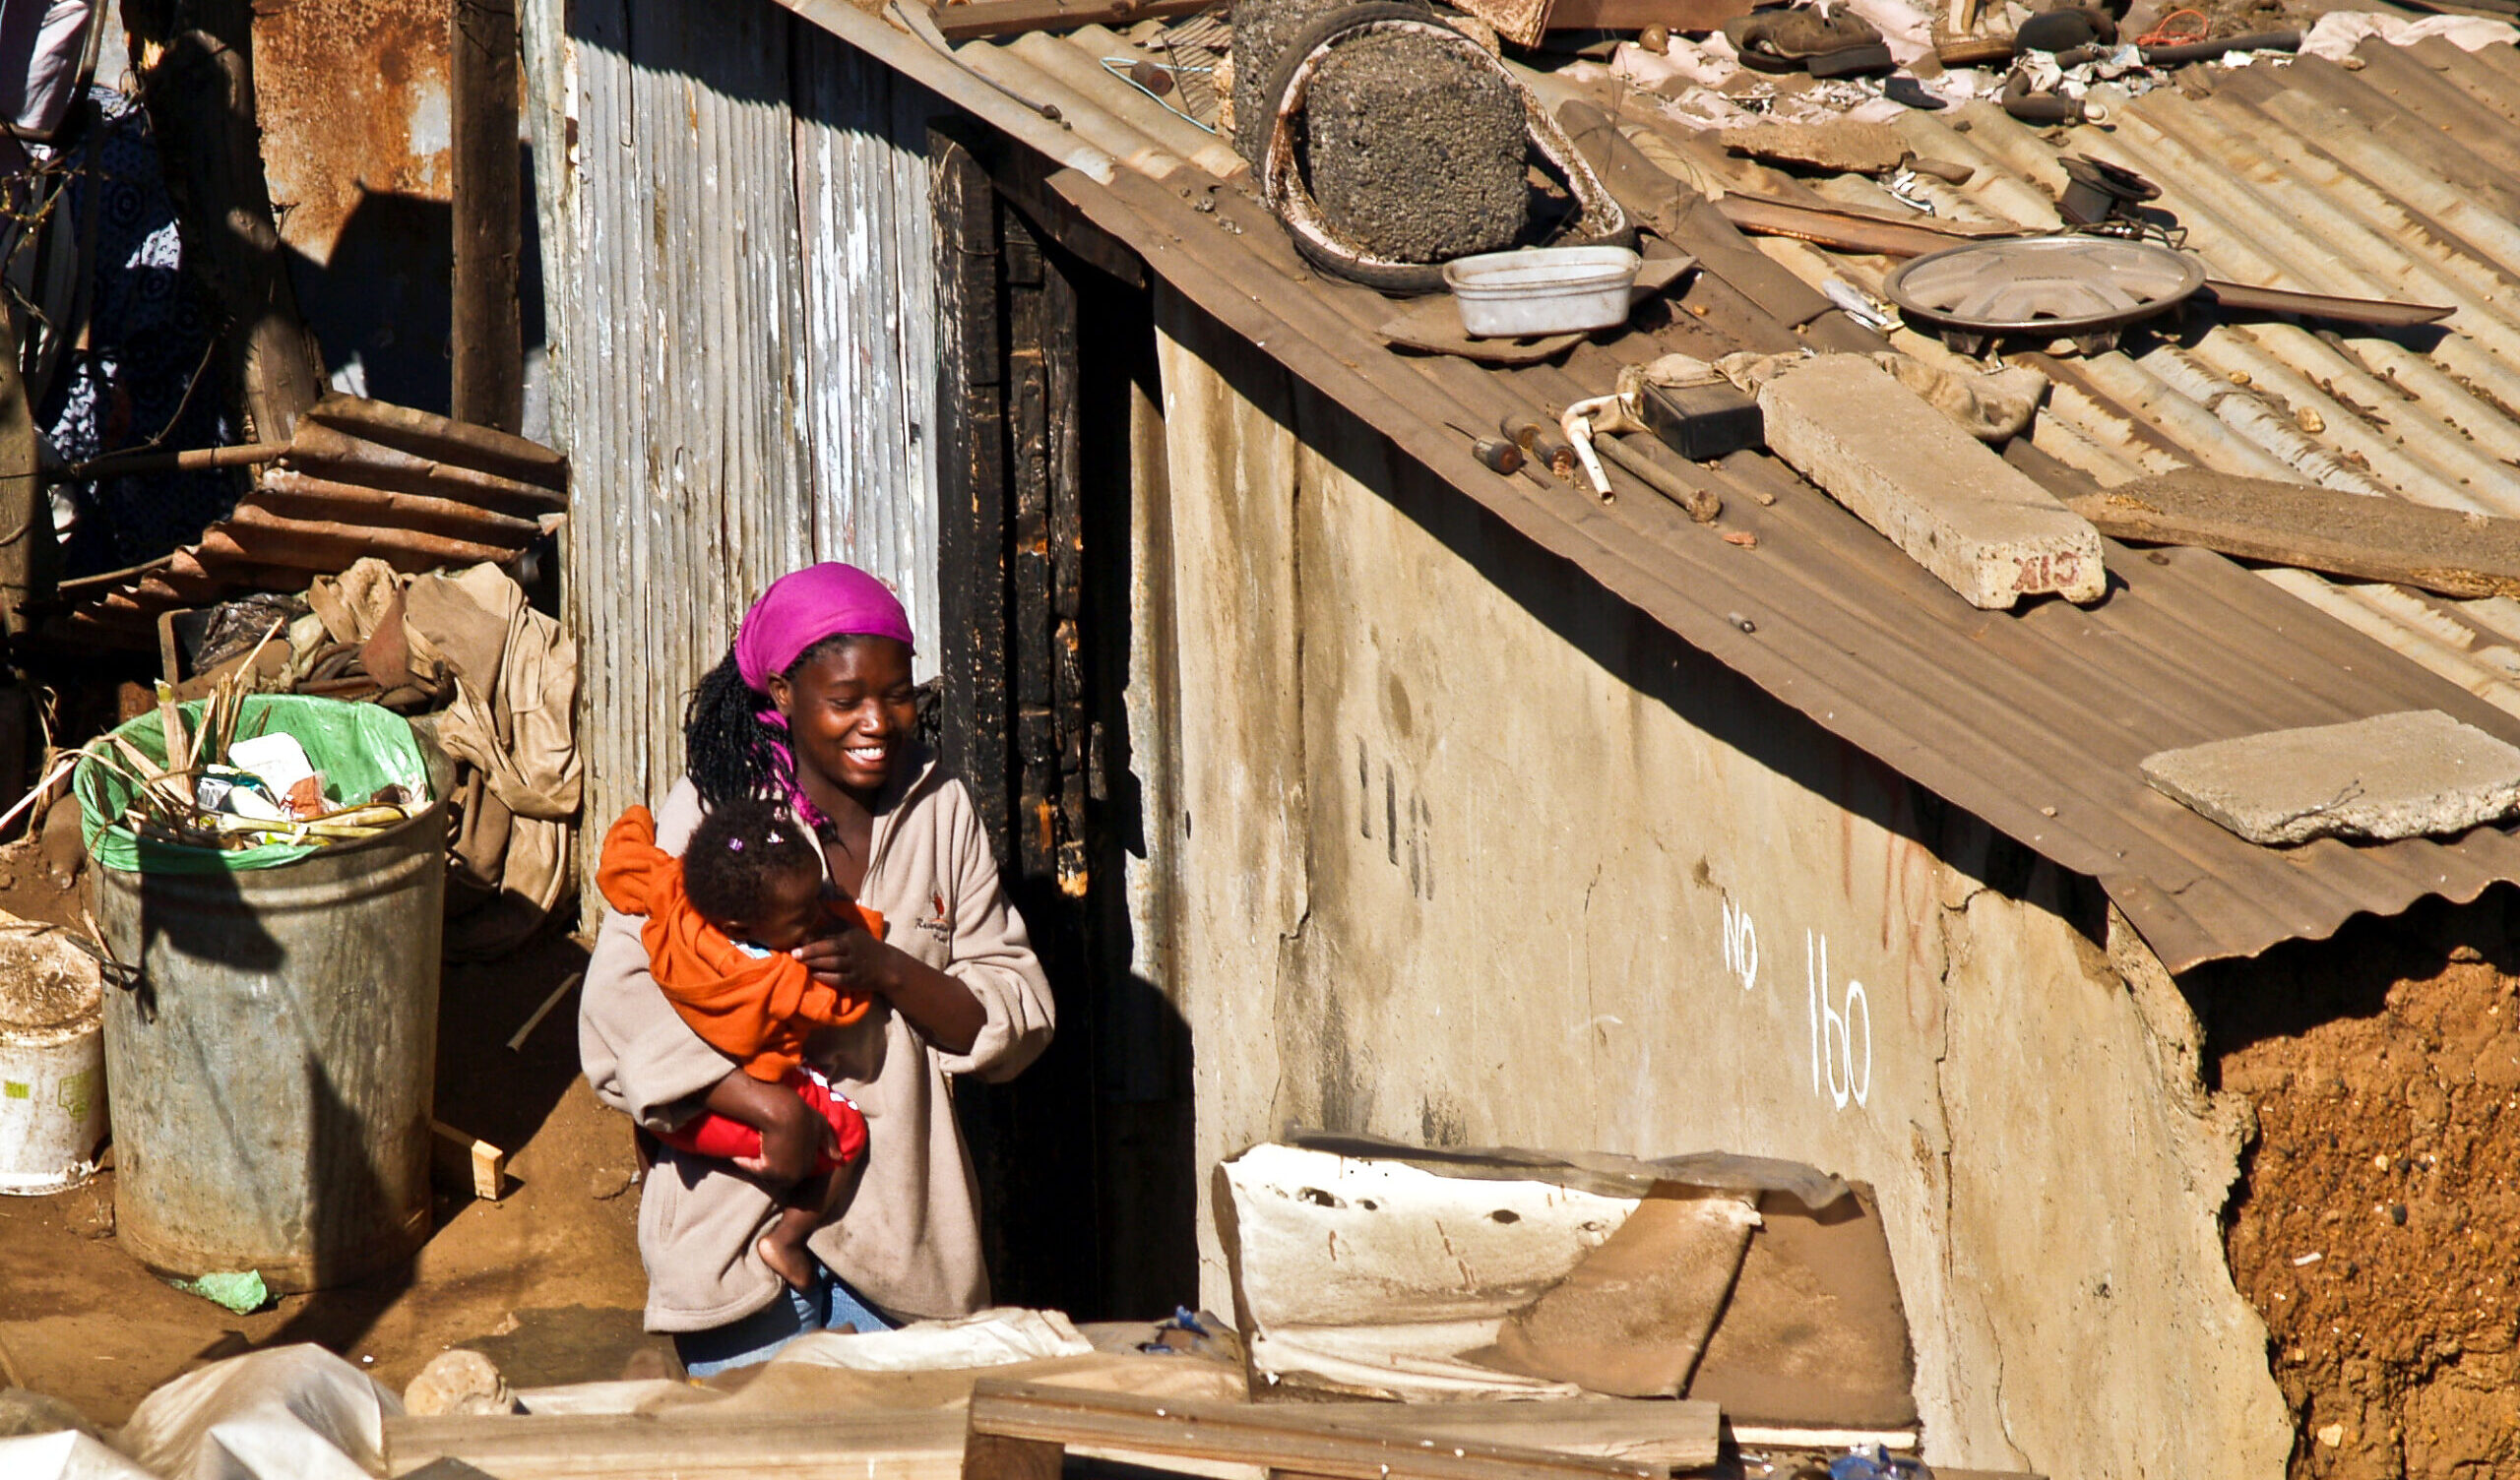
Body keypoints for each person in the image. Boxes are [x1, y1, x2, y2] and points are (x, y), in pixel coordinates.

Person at [580, 562, 1055, 1375]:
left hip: (905, 1243)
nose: (878, 721)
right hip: (733, 1232)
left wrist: (889, 971)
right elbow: (618, 1009)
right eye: (845, 701)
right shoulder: (714, 811)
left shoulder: (940, 811)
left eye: (897, 694)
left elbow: (1016, 1008)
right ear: (781, 694)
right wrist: (770, 1110)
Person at [594, 796, 879, 1292]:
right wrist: (865, 948)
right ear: (739, 929)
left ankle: (652, 1183)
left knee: (647, 1125)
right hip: (754, 1123)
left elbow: (630, 861)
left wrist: (636, 823)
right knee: (849, 1134)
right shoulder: (773, 980)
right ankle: (788, 1238)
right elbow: (839, 1005)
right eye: (802, 915)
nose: (816, 916)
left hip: (674, 1115)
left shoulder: (677, 903)